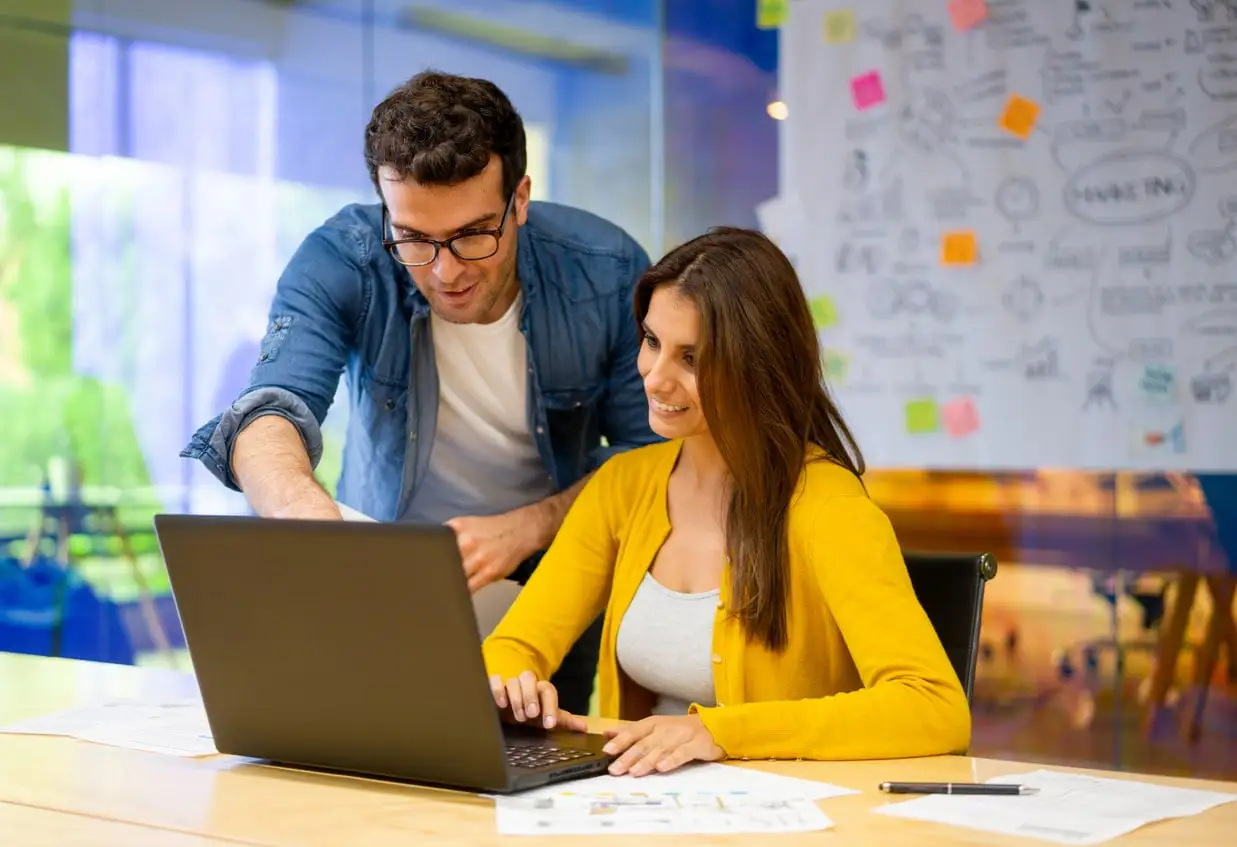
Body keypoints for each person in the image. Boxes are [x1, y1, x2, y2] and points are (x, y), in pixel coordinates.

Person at [181, 71, 660, 714]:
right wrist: (312, 526)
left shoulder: (606, 272)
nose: (446, 270)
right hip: (382, 589)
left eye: (472, 235)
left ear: (520, 199)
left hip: (550, 585)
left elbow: (652, 459)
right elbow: (267, 413)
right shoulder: (344, 258)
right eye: (413, 238)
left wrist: (528, 526)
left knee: (531, 772)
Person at [482, 227, 971, 775]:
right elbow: (513, 646)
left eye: (691, 358)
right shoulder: (622, 485)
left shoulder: (831, 509)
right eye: (651, 342)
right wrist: (512, 683)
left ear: (755, 365)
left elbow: (934, 706)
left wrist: (717, 732)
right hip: (640, 810)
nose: (655, 378)